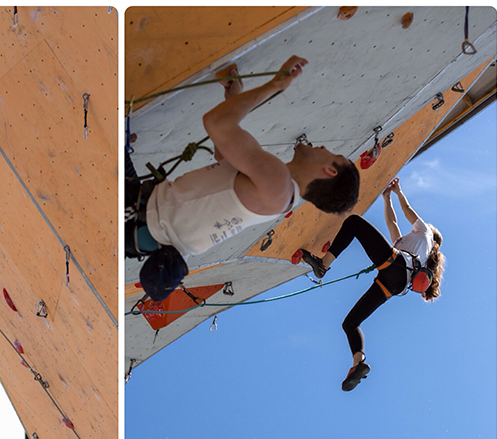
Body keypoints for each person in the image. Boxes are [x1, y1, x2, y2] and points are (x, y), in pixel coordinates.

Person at [126, 55, 360, 300]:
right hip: (142, 221)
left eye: (333, 154)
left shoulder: (278, 183)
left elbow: (215, 123)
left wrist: (275, 86)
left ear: (330, 171)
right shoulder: (279, 193)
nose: (323, 147)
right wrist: (233, 96)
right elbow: (224, 153)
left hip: (136, 216)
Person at [299, 177, 445, 391]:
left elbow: (407, 210)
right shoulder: (410, 246)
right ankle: (358, 364)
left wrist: (398, 191)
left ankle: (323, 265)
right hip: (394, 285)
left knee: (354, 223)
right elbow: (392, 224)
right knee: (350, 323)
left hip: (396, 267)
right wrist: (386, 198)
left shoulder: (425, 234)